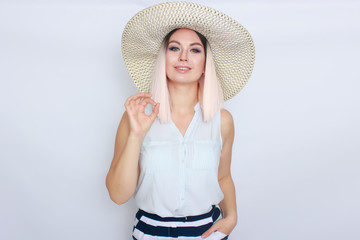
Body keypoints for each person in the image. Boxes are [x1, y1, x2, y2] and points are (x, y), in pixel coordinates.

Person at [106, 2, 255, 239]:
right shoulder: (135, 117)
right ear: (162, 58)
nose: (184, 57)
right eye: (174, 48)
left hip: (208, 230)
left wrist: (232, 218)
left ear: (206, 64)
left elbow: (223, 176)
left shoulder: (223, 120)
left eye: (195, 50)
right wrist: (136, 135)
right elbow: (118, 195)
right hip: (150, 231)